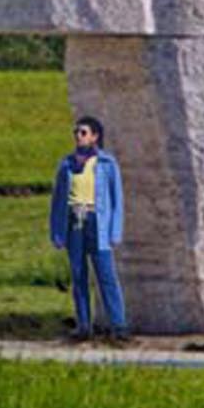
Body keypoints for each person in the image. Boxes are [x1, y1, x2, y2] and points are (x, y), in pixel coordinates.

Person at [49, 115, 128, 342]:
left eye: (83, 132)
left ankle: (119, 324)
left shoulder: (106, 164)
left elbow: (116, 200)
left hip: (97, 220)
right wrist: (57, 231)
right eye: (76, 132)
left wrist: (115, 231)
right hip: (75, 220)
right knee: (78, 274)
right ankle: (84, 325)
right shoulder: (67, 164)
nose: (78, 136)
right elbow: (58, 200)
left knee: (106, 274)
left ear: (95, 136)